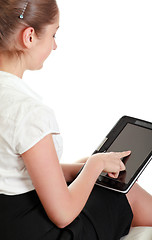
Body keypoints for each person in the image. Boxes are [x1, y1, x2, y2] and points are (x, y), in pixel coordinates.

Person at [0, 1, 151, 239]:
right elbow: (63, 215)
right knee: (123, 193)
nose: (55, 45)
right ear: (29, 37)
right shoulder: (27, 111)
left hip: (8, 218)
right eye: (53, 34)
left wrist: (85, 167)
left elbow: (13, 172)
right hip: (34, 231)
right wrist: (96, 166)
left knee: (83, 165)